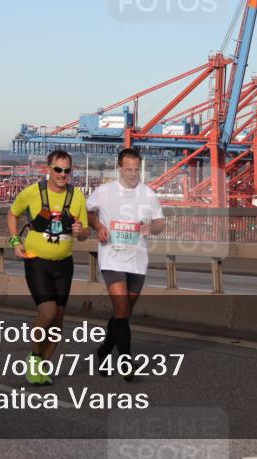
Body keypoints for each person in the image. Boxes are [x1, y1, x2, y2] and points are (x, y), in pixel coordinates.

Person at [7, 150, 89, 385]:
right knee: (48, 313)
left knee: (59, 318)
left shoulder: (77, 196)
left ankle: (42, 366)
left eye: (67, 171)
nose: (63, 175)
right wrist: (15, 241)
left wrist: (80, 231)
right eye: (58, 170)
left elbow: (84, 234)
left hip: (64, 263)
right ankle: (34, 357)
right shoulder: (33, 192)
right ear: (48, 169)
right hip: (37, 261)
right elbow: (12, 215)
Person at [87, 148, 164, 380]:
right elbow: (88, 212)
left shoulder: (148, 194)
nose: (132, 174)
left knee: (124, 313)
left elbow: (160, 222)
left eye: (136, 169)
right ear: (120, 168)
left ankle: (103, 351)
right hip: (112, 257)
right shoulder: (105, 191)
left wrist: (152, 228)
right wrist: (98, 227)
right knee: (121, 308)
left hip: (138, 259)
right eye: (128, 169)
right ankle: (126, 361)